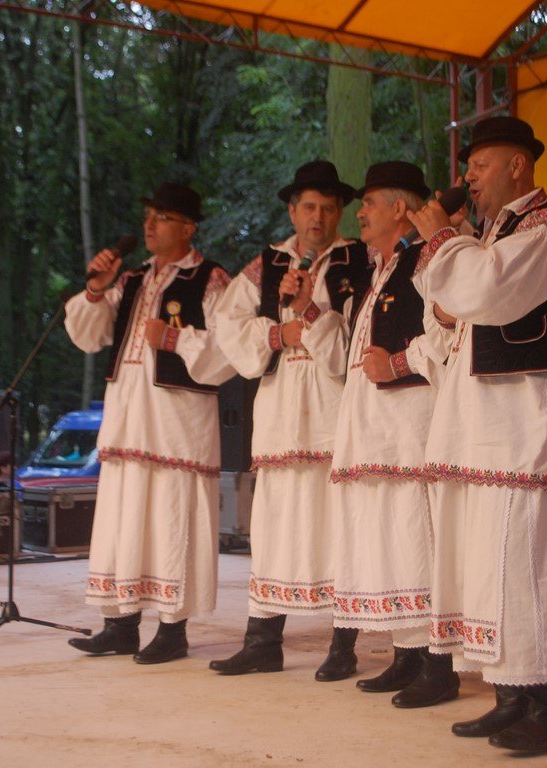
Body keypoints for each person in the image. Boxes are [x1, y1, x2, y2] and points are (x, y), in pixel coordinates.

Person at [408, 116, 547, 753]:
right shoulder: (490, 235)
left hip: (527, 431)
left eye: (480, 166)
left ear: (518, 165)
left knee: (530, 566)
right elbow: (453, 307)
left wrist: (442, 239)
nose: (469, 179)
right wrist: (449, 256)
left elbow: (487, 289)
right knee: (494, 570)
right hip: (486, 430)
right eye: (468, 168)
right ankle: (510, 693)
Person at [211, 161, 372, 679]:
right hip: (281, 407)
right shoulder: (267, 264)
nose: (317, 217)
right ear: (291, 211)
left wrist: (310, 314)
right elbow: (227, 322)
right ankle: (263, 641)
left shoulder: (359, 259)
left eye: (327, 208)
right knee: (274, 522)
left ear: (340, 212)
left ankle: (343, 645)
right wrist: (278, 334)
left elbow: (361, 335)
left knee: (338, 525)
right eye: (308, 207)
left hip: (332, 405)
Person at [63, 182, 235, 663]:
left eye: (161, 217)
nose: (150, 225)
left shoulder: (211, 279)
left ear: (188, 227)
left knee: (171, 519)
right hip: (128, 416)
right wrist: (96, 288)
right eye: (148, 217)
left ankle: (172, 630)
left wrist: (174, 339)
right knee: (124, 519)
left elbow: (229, 351)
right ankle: (120, 624)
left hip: (177, 424)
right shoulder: (132, 279)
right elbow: (88, 335)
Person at [329, 161, 454, 706]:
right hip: (374, 429)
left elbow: (448, 334)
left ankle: (439, 664)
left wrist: (397, 364)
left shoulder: (427, 259)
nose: (360, 212)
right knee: (391, 541)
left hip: (410, 427)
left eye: (370, 202)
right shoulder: (380, 268)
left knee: (418, 538)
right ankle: (407, 653)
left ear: (401, 208)